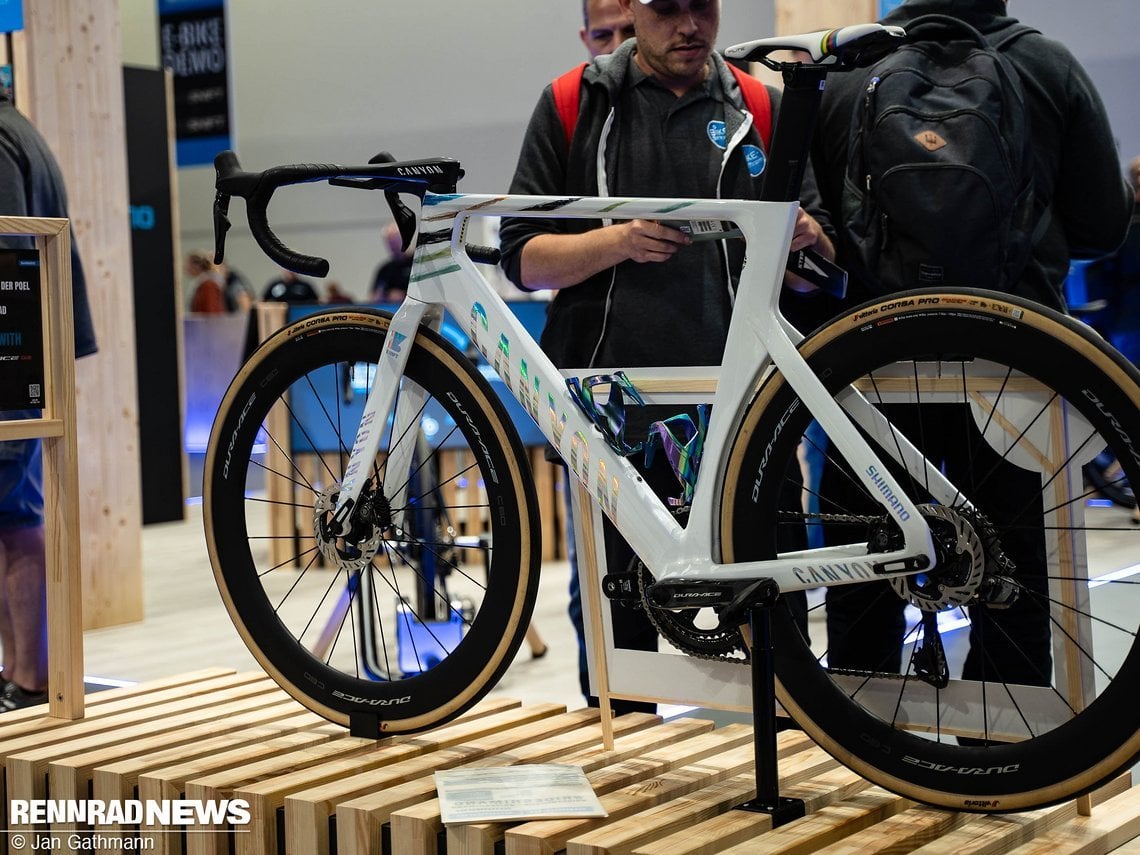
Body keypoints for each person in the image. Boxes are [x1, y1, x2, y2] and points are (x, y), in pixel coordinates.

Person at [499, 0, 834, 712]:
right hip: (612, 403)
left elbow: (822, 258)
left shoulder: (761, 106)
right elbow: (523, 258)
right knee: (617, 616)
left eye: (702, 8)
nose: (689, 26)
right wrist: (613, 241)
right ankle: (626, 763)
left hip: (746, 402)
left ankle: (791, 743)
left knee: (772, 600)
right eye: (667, 10)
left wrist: (805, 239)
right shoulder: (573, 101)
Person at [808, 0, 1133, 684]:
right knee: (1011, 571)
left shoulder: (848, 74)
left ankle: (865, 742)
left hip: (876, 359)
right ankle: (1003, 762)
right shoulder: (1047, 65)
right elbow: (1104, 227)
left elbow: (819, 234)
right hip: (1012, 355)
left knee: (865, 566)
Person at [0, 87, 98, 712]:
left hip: (15, 350)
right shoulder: (18, 128)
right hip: (29, 344)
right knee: (9, 512)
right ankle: (18, 671)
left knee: (15, 513)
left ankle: (30, 677)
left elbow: (8, 247)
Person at [369, 222, 412, 304]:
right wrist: (385, 296)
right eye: (390, 243)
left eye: (394, 241)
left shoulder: (418, 265)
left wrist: (404, 295)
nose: (393, 247)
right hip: (390, 309)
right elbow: (373, 296)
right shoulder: (385, 269)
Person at [186, 249, 226, 314]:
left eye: (188, 264)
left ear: (197, 266)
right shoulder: (202, 284)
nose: (185, 268)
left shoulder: (208, 285)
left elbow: (212, 312)